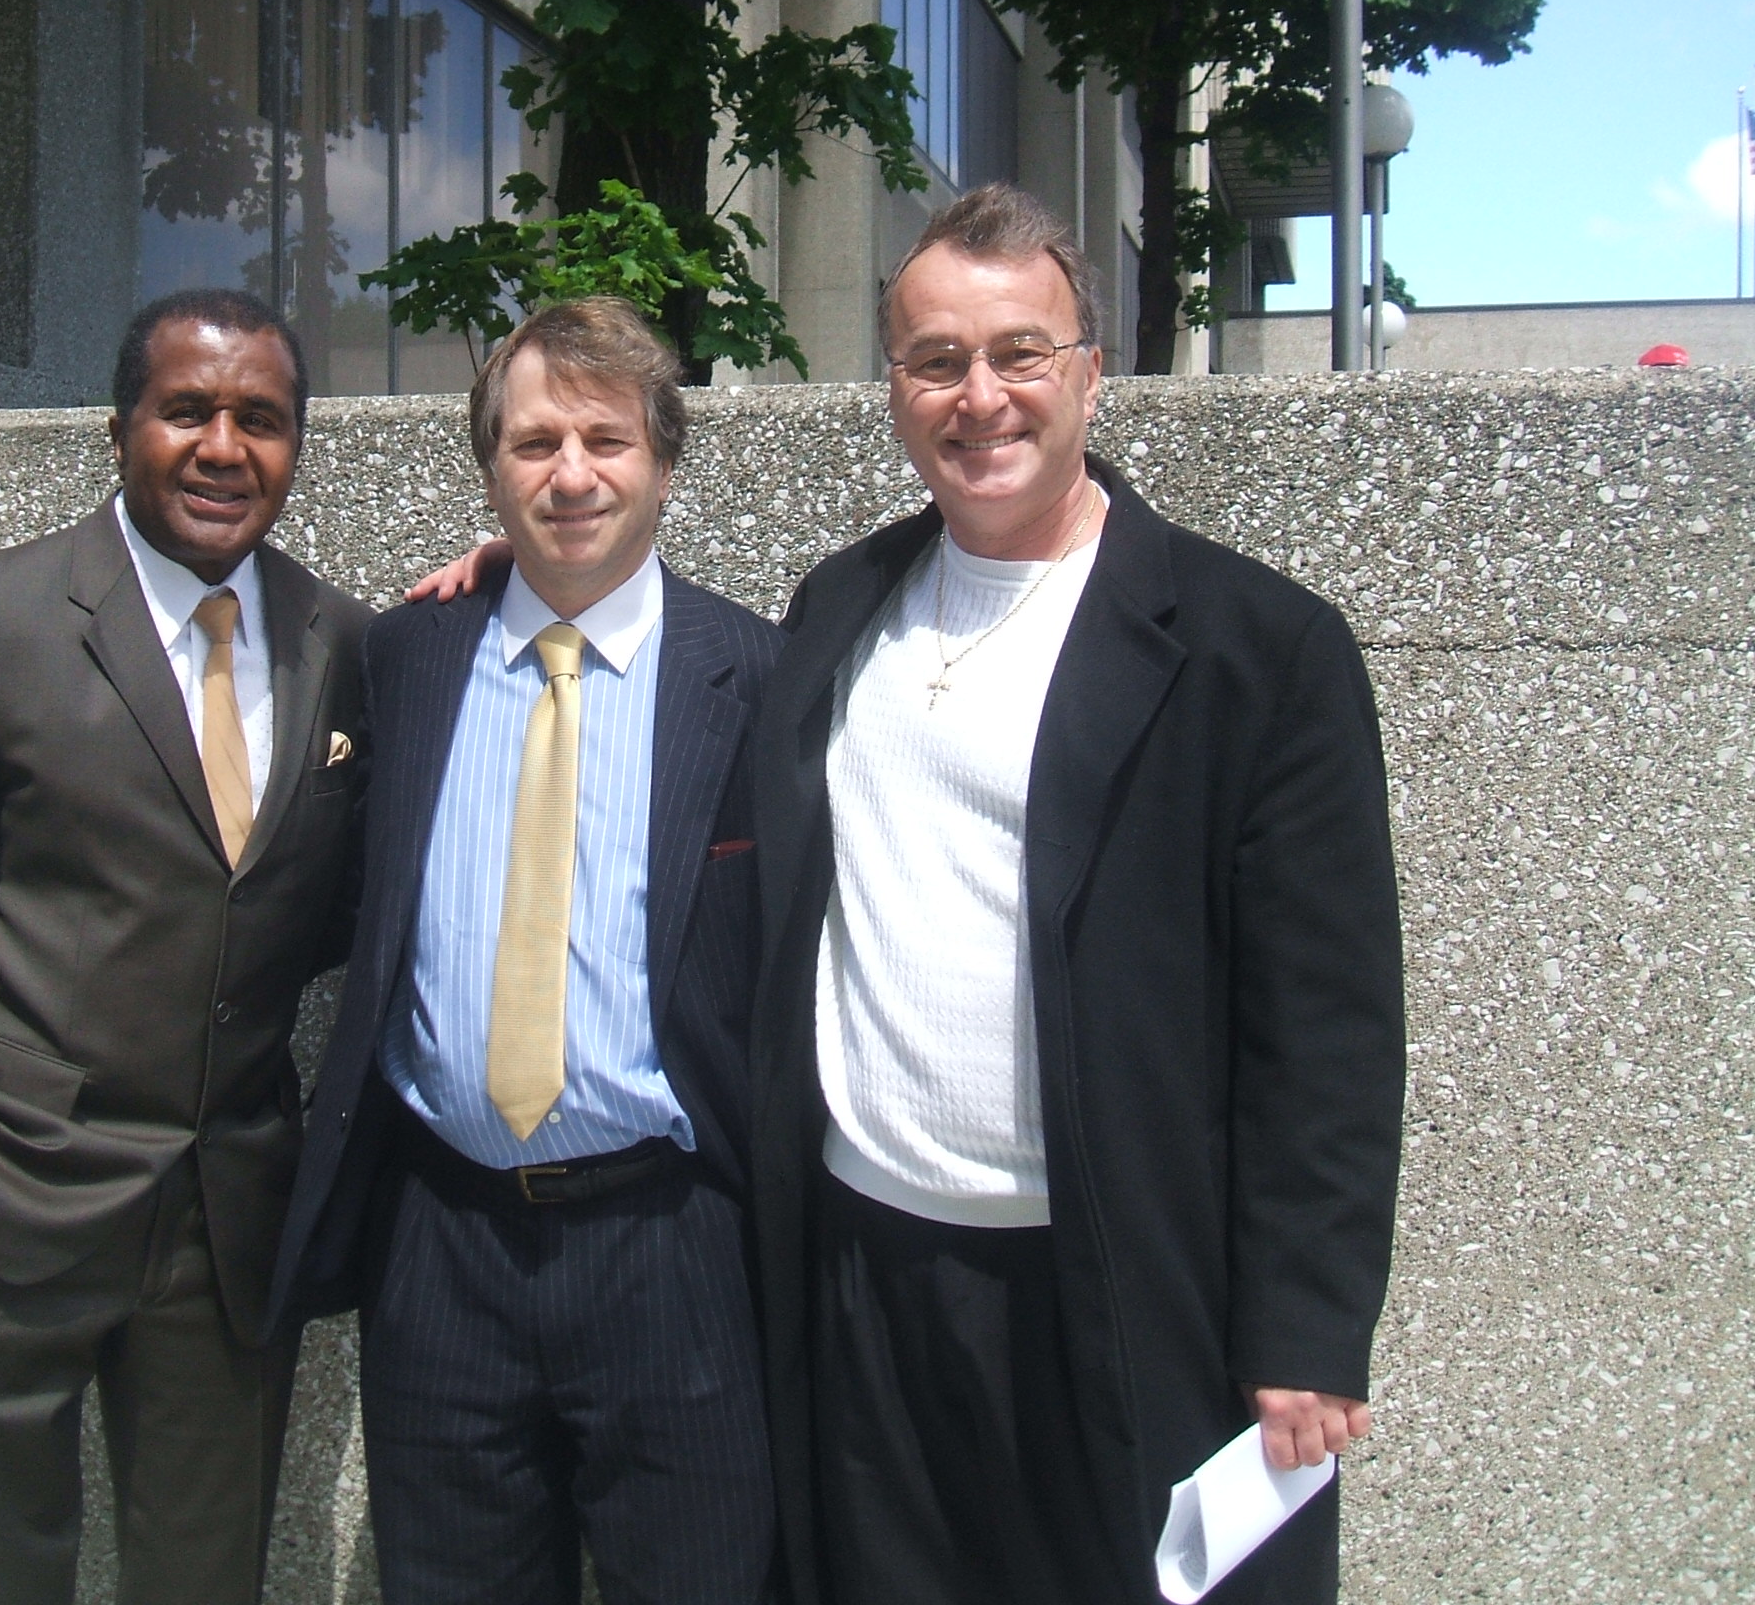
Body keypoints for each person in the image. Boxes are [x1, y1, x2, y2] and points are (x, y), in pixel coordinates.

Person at [745, 184, 1407, 1603]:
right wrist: (518, 582)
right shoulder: (838, 608)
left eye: (1020, 353)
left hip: (1116, 1290)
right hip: (865, 1283)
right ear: (895, 387)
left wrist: (1309, 1327)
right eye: (935, 360)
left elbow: (1331, 1033)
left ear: (1091, 371)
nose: (978, 397)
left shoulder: (1260, 653)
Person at [0, 288, 371, 1605]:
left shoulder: (339, 641)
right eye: (187, 411)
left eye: (262, 419)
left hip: (225, 1228)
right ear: (119, 427)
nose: (224, 447)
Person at [266, 297, 783, 1604]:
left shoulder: (762, 679)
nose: (569, 474)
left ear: (665, 460)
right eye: (532, 441)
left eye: (604, 439)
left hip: (672, 1244)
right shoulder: (405, 657)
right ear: (488, 470)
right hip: (442, 1237)